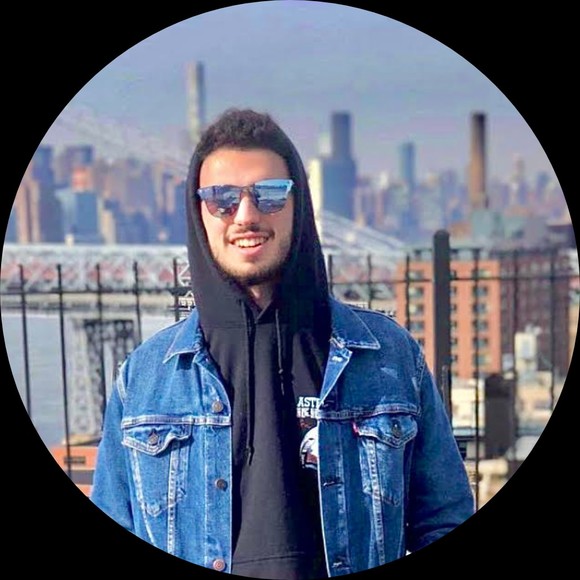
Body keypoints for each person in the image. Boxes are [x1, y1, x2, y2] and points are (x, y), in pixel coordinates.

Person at [90, 108, 475, 578]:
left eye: (269, 194)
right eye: (222, 199)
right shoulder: (145, 377)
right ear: (198, 213)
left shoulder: (388, 357)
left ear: (300, 205)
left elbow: (445, 519)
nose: (246, 216)